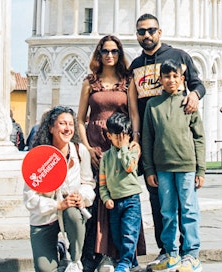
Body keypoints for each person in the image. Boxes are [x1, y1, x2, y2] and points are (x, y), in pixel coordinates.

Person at [128, 13, 205, 258]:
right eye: (141, 31)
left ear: (159, 32)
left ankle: (188, 250)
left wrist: (194, 96)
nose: (146, 35)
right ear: (137, 35)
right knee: (159, 201)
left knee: (186, 202)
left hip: (178, 139)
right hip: (150, 139)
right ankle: (167, 249)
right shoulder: (136, 65)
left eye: (151, 30)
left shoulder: (178, 56)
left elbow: (198, 84)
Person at [77, 35, 143, 271]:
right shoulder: (89, 82)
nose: (110, 55)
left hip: (120, 143)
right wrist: (86, 148)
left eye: (114, 51)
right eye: (105, 51)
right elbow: (80, 119)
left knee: (122, 195)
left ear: (119, 53)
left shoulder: (128, 81)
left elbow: (134, 114)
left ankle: (121, 255)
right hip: (95, 145)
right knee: (98, 197)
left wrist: (135, 141)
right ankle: (95, 253)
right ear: (99, 53)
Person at [140, 61, 205, 272]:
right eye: (166, 77)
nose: (171, 80)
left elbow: (199, 138)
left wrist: (201, 169)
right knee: (167, 211)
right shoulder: (153, 105)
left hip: (186, 166)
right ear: (160, 80)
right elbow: (148, 139)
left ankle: (192, 254)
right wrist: (149, 169)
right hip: (162, 168)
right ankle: (171, 253)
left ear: (182, 79)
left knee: (188, 210)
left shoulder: (189, 103)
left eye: (175, 76)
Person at [23, 105, 94, 272]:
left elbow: (88, 183)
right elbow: (29, 199)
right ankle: (60, 248)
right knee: (45, 269)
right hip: (44, 218)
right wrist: (57, 205)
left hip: (70, 214)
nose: (67, 128)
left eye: (70, 124)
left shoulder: (79, 150)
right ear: (51, 127)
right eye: (62, 124)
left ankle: (75, 260)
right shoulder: (38, 157)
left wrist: (81, 196)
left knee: (73, 213)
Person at [98, 111, 143, 272]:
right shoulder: (106, 157)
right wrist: (105, 197)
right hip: (114, 201)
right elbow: (102, 183)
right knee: (117, 234)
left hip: (131, 199)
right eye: (116, 136)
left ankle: (124, 262)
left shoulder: (133, 150)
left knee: (129, 232)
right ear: (109, 136)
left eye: (123, 136)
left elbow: (130, 167)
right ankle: (132, 263)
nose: (120, 140)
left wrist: (124, 148)